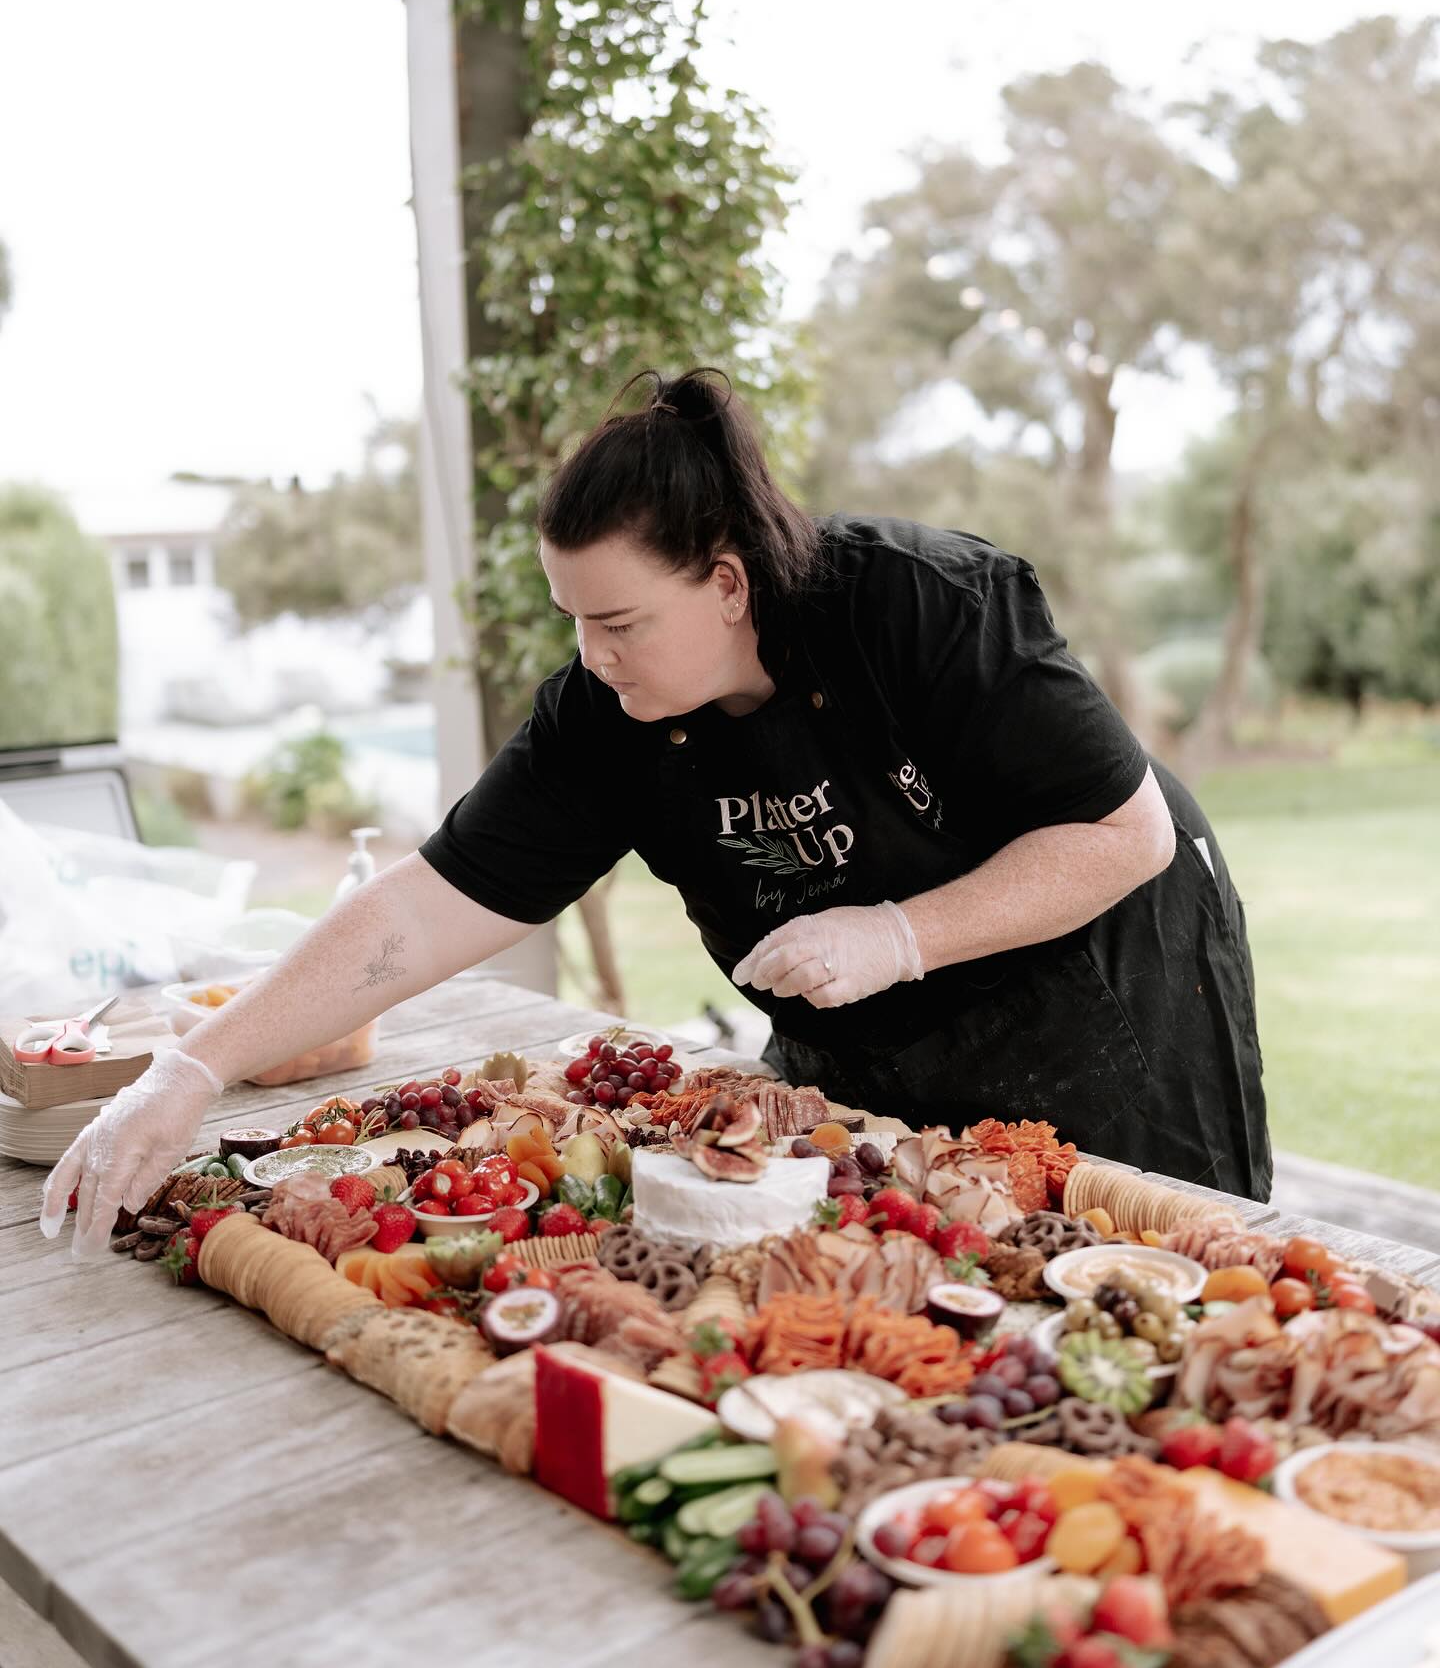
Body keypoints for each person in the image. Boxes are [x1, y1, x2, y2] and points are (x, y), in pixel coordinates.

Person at [42, 369, 1271, 1259]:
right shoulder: (605, 714)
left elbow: (1126, 834)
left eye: (621, 621)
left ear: (727, 582)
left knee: (1153, 1269)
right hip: (868, 1038)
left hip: (1098, 984)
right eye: (576, 620)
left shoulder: (923, 603)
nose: (597, 656)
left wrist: (896, 933)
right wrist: (193, 1066)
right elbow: (415, 910)